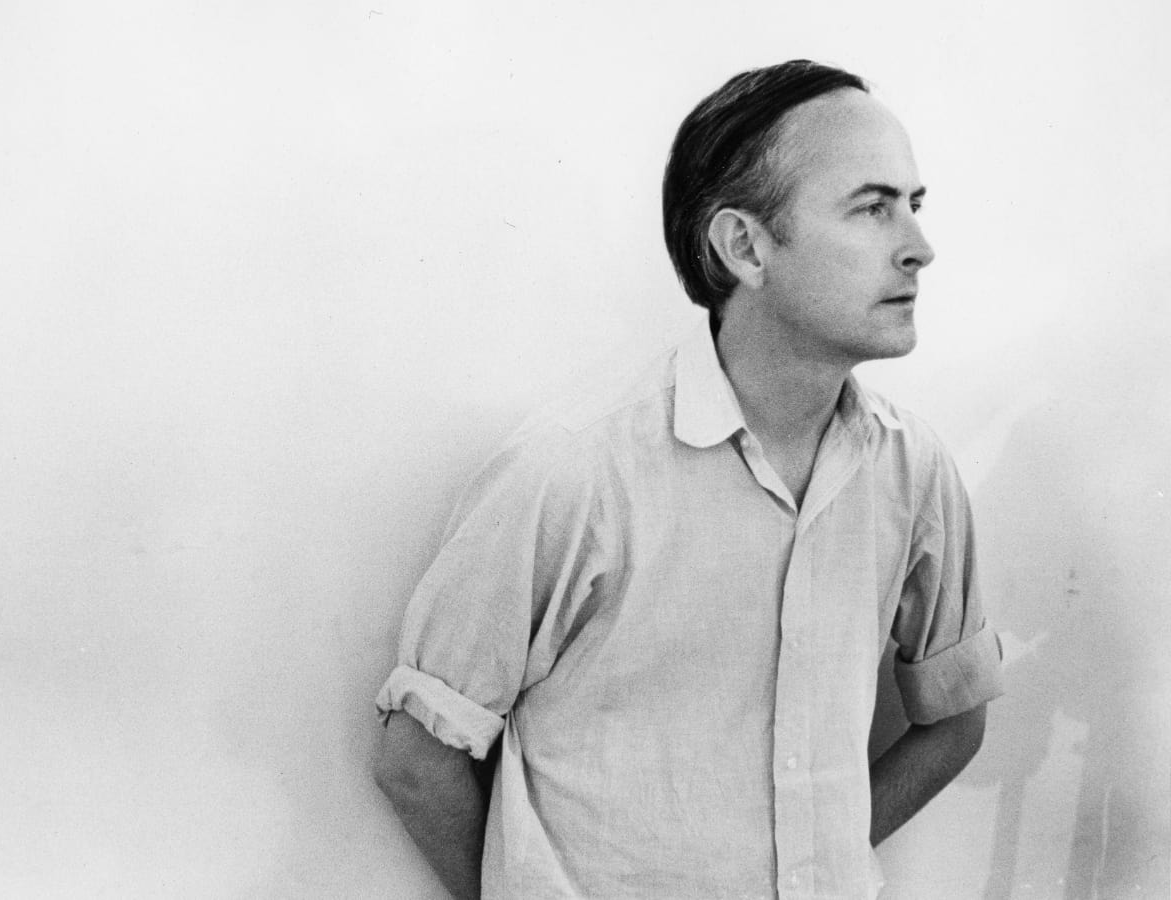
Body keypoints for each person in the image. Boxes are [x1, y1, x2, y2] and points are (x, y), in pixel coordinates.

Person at [371, 60, 1004, 899]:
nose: (919, 247)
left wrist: (816, 867)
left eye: (914, 205)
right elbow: (417, 762)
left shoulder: (913, 470)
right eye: (872, 207)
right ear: (744, 246)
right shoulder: (576, 469)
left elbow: (956, 716)